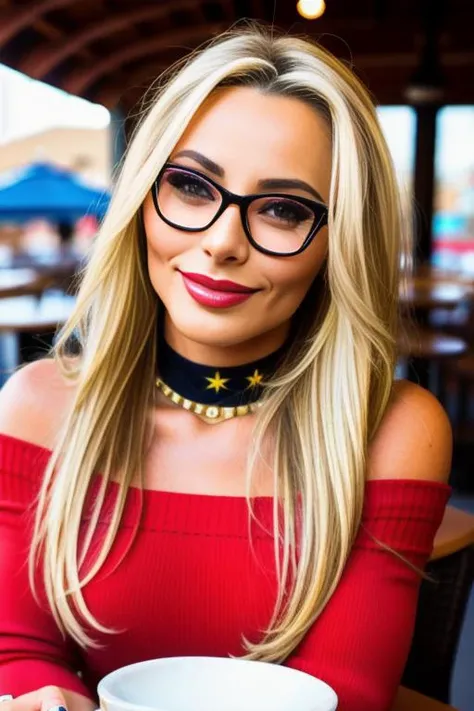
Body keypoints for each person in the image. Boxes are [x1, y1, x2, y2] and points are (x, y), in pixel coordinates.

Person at [0, 25, 452, 711]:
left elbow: (347, 693)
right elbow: (15, 648)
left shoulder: (393, 428)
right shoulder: (36, 404)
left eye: (282, 209)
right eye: (189, 186)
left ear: (340, 241)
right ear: (141, 199)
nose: (219, 243)